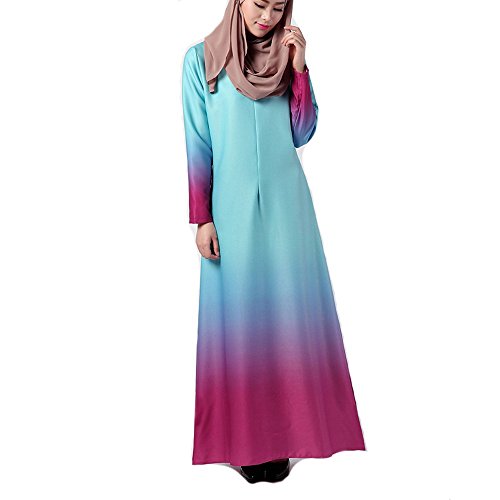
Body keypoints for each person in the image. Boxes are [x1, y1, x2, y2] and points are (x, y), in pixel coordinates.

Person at [181, 0, 366, 484]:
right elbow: (198, 143)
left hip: (287, 207)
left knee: (288, 320)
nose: (267, 16)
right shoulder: (201, 60)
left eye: (278, 7)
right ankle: (246, 442)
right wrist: (202, 218)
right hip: (231, 212)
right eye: (258, 4)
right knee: (241, 327)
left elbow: (302, 132)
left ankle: (288, 436)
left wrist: (300, 69)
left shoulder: (286, 54)